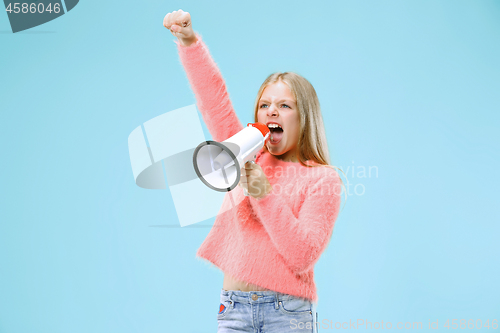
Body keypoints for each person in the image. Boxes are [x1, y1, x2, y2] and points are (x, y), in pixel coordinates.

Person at [164, 9, 344, 333]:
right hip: (233, 308)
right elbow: (213, 100)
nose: (271, 110)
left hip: (286, 314)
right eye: (265, 104)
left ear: (305, 117)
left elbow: (302, 255)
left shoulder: (322, 180)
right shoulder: (247, 155)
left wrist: (265, 195)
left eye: (285, 105)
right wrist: (190, 42)